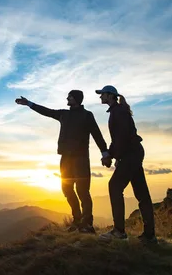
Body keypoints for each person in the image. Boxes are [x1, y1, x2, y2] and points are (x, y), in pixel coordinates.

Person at [15, 90, 110, 233]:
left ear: (77, 99)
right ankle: (77, 220)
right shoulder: (64, 114)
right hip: (65, 158)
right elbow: (46, 111)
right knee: (67, 189)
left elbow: (97, 134)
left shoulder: (87, 115)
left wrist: (105, 152)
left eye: (70, 96)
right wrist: (29, 104)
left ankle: (87, 224)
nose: (67, 98)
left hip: (81, 158)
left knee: (83, 191)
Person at [95, 85, 157, 244]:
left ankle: (119, 231)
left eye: (102, 94)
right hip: (133, 153)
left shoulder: (118, 112)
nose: (100, 96)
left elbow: (121, 138)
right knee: (142, 194)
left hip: (130, 154)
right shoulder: (119, 110)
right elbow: (118, 139)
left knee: (114, 186)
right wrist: (112, 154)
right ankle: (149, 236)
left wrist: (111, 156)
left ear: (110, 95)